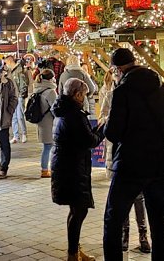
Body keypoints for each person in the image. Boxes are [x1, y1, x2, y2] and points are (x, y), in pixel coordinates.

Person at [103, 47, 164, 261]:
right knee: (157, 218)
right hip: (158, 163)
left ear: (117, 69)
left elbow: (114, 132)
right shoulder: (160, 87)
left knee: (113, 217)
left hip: (130, 164)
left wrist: (109, 125)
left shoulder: (122, 91)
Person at [51, 77, 105, 261]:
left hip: (66, 165)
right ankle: (73, 254)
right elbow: (90, 141)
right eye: (83, 94)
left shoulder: (64, 111)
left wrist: (97, 128)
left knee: (76, 209)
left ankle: (74, 250)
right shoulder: (74, 114)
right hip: (72, 167)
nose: (84, 98)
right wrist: (103, 129)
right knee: (79, 209)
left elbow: (84, 136)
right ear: (77, 94)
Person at [100, 67, 150, 254]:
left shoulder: (119, 95)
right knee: (134, 199)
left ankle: (139, 235)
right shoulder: (115, 94)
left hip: (126, 156)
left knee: (128, 199)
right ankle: (128, 235)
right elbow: (103, 117)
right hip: (135, 156)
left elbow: (109, 128)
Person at [33, 68, 58, 178]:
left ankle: (45, 169)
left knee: (47, 146)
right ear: (52, 78)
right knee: (49, 147)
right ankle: (45, 169)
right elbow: (56, 108)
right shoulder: (50, 92)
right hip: (49, 123)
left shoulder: (37, 89)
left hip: (41, 122)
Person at [5, 55, 30, 143]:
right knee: (14, 117)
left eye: (6, 63)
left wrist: (21, 95)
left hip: (18, 96)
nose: (6, 65)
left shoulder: (19, 71)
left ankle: (24, 133)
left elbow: (23, 84)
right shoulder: (10, 71)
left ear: (10, 62)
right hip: (12, 96)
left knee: (20, 116)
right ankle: (16, 136)